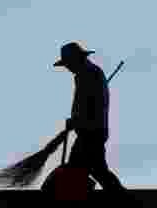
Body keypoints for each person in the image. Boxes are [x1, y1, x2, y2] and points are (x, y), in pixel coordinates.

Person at [53, 42, 129, 195]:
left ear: (77, 59)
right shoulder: (88, 73)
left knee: (80, 169)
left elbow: (91, 104)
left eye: (68, 63)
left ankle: (124, 199)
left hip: (91, 131)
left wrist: (76, 119)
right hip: (92, 130)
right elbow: (87, 101)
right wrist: (76, 118)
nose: (68, 68)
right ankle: (122, 198)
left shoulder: (88, 74)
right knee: (96, 169)